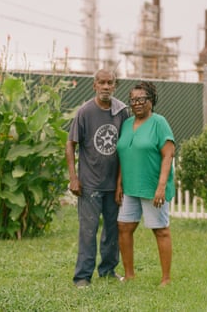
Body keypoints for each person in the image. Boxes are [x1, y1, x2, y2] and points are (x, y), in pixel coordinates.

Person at [65, 69, 129, 288]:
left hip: (113, 186)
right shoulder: (85, 112)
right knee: (88, 230)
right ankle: (82, 276)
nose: (105, 86)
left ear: (115, 85)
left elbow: (125, 149)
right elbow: (70, 144)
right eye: (101, 82)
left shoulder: (122, 112)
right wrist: (74, 178)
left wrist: (121, 183)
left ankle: (108, 270)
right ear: (94, 85)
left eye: (110, 83)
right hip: (89, 184)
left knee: (113, 229)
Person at [116, 81, 175, 287]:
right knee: (124, 227)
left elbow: (168, 155)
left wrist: (160, 187)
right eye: (133, 100)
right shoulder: (126, 124)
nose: (137, 103)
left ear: (151, 101)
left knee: (160, 230)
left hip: (152, 188)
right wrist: (119, 183)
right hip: (130, 188)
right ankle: (129, 274)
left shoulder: (159, 122)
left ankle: (166, 279)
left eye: (141, 99)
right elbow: (124, 154)